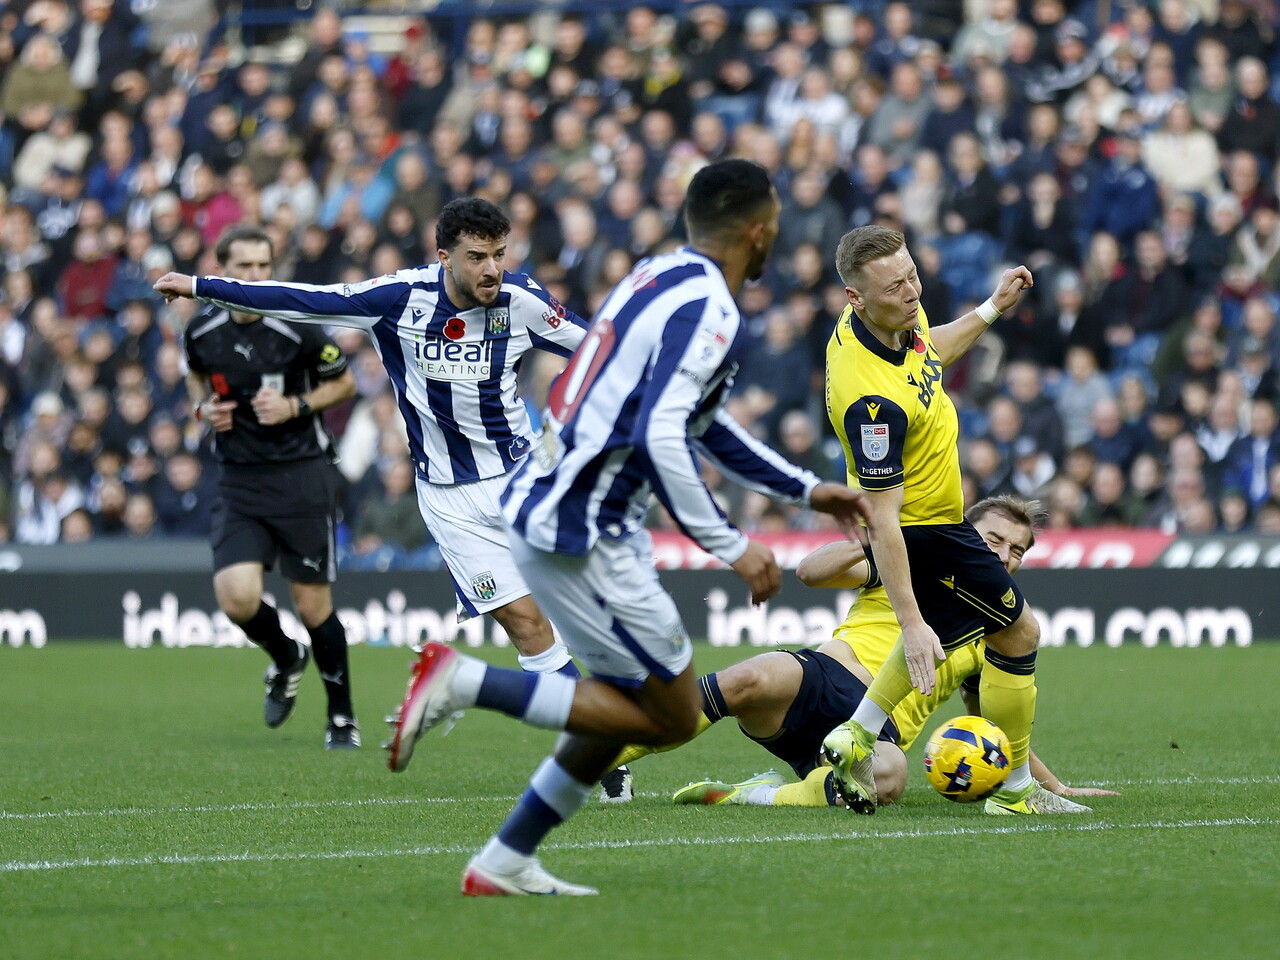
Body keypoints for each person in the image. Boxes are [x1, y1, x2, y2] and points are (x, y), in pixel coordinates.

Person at [381, 160, 872, 896]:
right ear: (759, 230)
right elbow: (662, 435)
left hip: (545, 503)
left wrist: (803, 488)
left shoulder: (656, 275)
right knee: (670, 716)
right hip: (589, 527)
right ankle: (464, 681)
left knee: (621, 712)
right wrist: (732, 545)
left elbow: (698, 423)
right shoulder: (711, 310)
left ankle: (505, 859)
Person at [155, 201, 620, 781]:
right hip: (449, 499)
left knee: (582, 612)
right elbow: (302, 299)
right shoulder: (397, 299)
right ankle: (601, 751)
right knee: (526, 626)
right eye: (477, 257)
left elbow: (599, 348)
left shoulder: (520, 300)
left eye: (500, 255)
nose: (492, 270)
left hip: (523, 483)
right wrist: (203, 287)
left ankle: (608, 723)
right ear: (444, 256)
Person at [660, 497, 1115, 811]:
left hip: (878, 733)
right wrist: (875, 539)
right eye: (993, 540)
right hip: (824, 677)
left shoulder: (995, 636)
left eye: (1016, 551)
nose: (1003, 557)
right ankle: (608, 755)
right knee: (749, 679)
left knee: (891, 777)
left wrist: (1053, 786)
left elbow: (997, 726)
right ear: (964, 533)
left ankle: (753, 794)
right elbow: (809, 572)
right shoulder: (907, 562)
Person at [820, 225, 1054, 815]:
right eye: (895, 285)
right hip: (923, 530)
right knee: (1019, 632)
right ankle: (1019, 794)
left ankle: (855, 732)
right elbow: (881, 520)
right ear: (855, 297)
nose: (912, 291)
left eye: (912, 275)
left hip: (938, 522)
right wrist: (908, 617)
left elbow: (933, 349)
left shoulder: (894, 319)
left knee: (957, 631)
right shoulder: (871, 403)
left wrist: (991, 308)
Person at [180, 226, 360, 748]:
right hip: (238, 479)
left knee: (312, 607)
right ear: (221, 272)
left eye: (264, 266)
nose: (256, 276)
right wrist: (202, 409)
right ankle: (286, 657)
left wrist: (296, 406)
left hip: (301, 476)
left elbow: (345, 382)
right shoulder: (202, 329)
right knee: (236, 598)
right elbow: (194, 376)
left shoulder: (296, 326)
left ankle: (342, 717)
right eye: (245, 267)